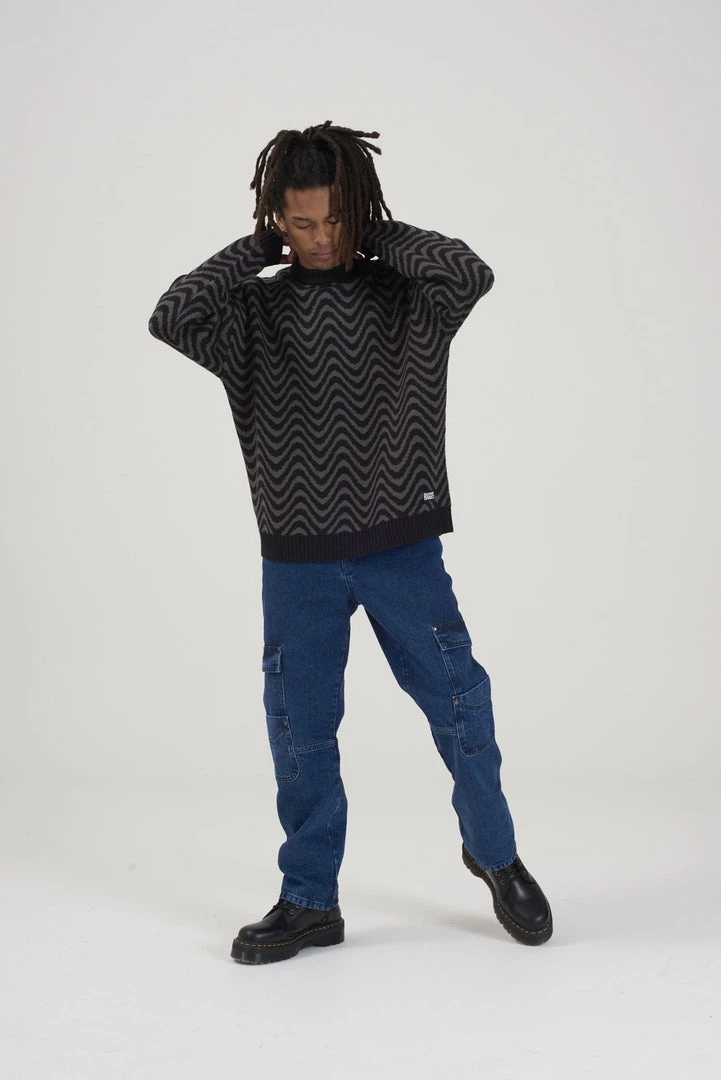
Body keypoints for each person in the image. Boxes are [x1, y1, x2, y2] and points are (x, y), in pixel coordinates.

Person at [148, 120, 553, 964]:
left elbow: (468, 271)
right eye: (300, 223)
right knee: (299, 732)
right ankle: (309, 901)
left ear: (357, 212)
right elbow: (171, 314)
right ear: (276, 220)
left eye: (335, 218)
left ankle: (495, 854)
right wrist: (254, 249)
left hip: (400, 547)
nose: (321, 238)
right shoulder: (251, 314)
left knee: (460, 704)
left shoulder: (408, 297)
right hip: (296, 558)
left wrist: (375, 232)